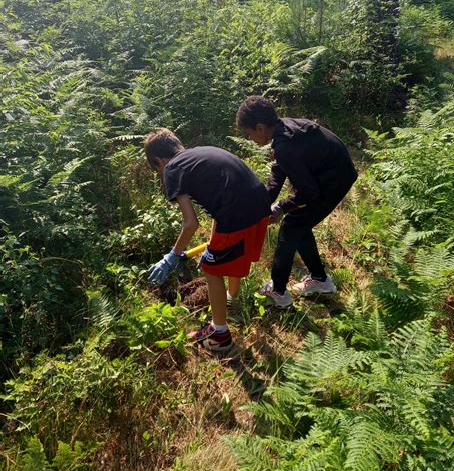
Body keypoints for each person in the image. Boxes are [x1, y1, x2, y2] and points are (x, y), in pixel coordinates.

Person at [145, 129, 270, 352]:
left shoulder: (173, 168)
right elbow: (217, 207)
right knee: (229, 256)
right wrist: (213, 244)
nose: (162, 175)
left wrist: (172, 256)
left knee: (211, 268)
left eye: (158, 170)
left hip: (236, 213)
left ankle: (219, 335)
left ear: (159, 161)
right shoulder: (200, 153)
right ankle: (231, 298)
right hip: (260, 205)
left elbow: (191, 223)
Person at [235, 96, 357, 308]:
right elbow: (279, 169)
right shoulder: (284, 130)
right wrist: (264, 202)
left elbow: (308, 191)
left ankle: (278, 291)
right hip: (331, 173)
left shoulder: (286, 146)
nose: (250, 139)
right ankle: (320, 280)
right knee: (300, 224)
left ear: (260, 127)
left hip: (334, 180)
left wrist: (281, 207)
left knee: (291, 226)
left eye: (249, 133)